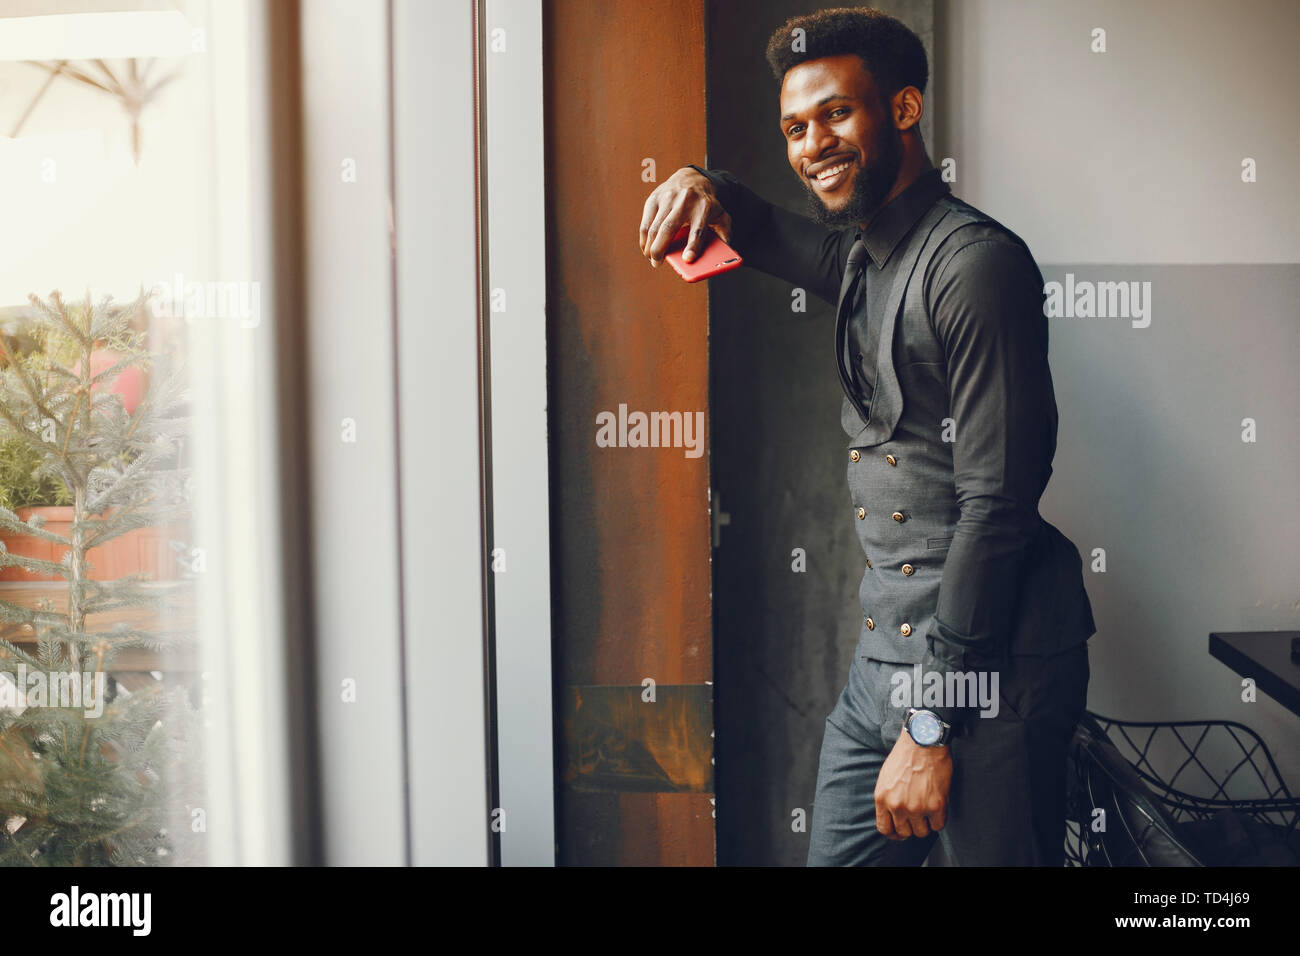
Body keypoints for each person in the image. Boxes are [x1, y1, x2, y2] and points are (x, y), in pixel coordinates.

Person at [637, 6, 1096, 866]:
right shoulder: (860, 254)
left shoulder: (975, 266)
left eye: (837, 114)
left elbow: (998, 508)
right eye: (795, 127)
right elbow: (765, 229)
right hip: (886, 658)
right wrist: (704, 180)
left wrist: (932, 726)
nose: (813, 143)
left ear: (904, 110)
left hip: (991, 673)